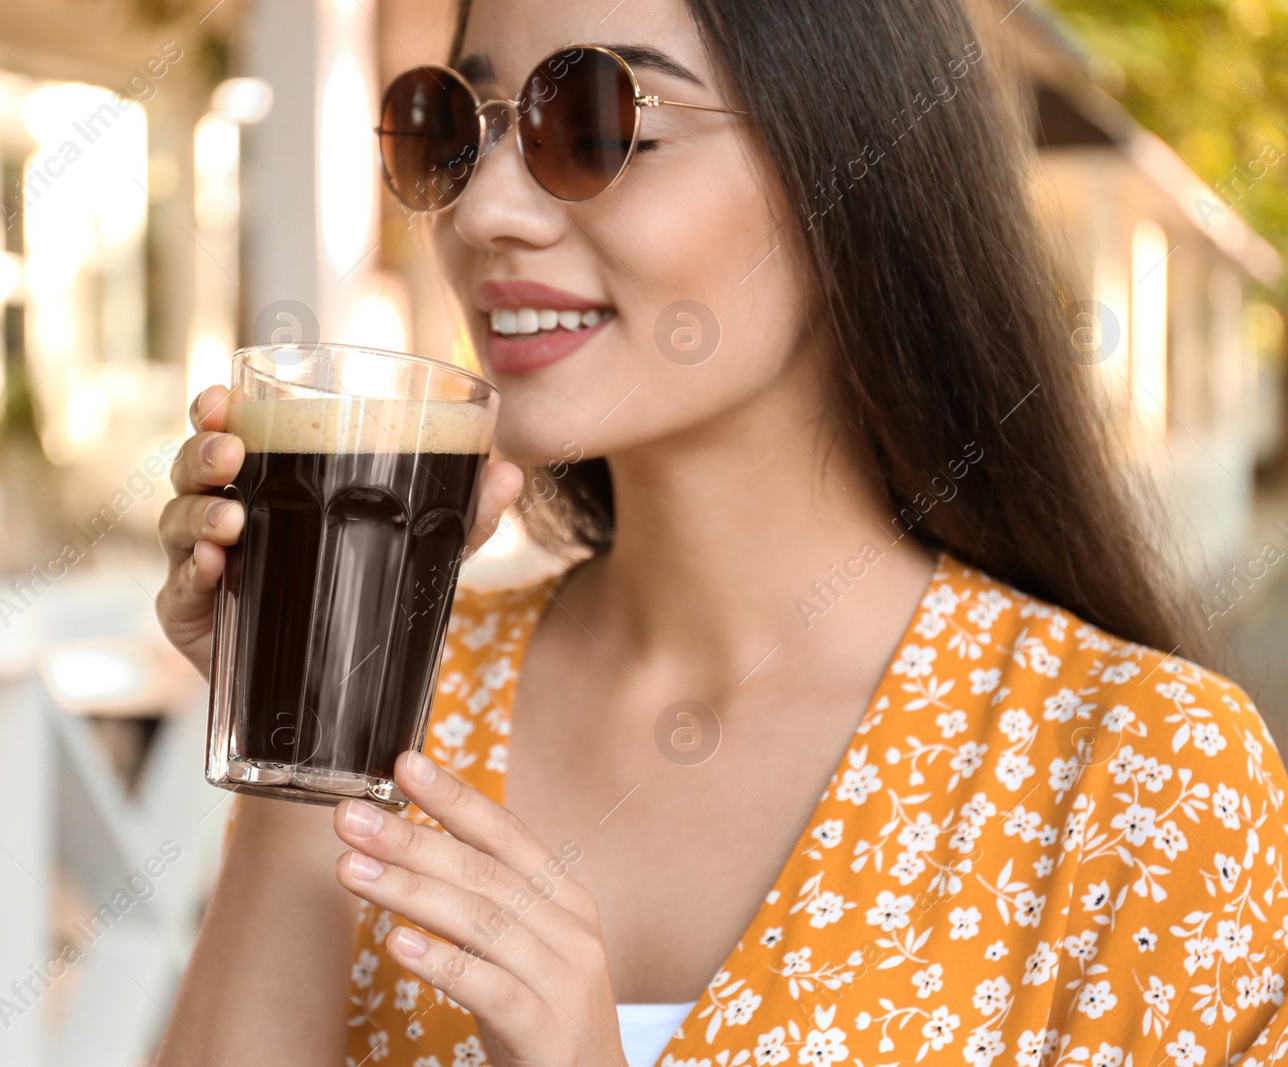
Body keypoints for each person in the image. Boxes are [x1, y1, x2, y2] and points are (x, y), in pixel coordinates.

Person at [150, 0, 1288, 1063]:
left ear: (848, 162)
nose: (483, 211)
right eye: (451, 125)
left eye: (594, 121)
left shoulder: (1143, 772)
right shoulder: (420, 698)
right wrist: (303, 711)